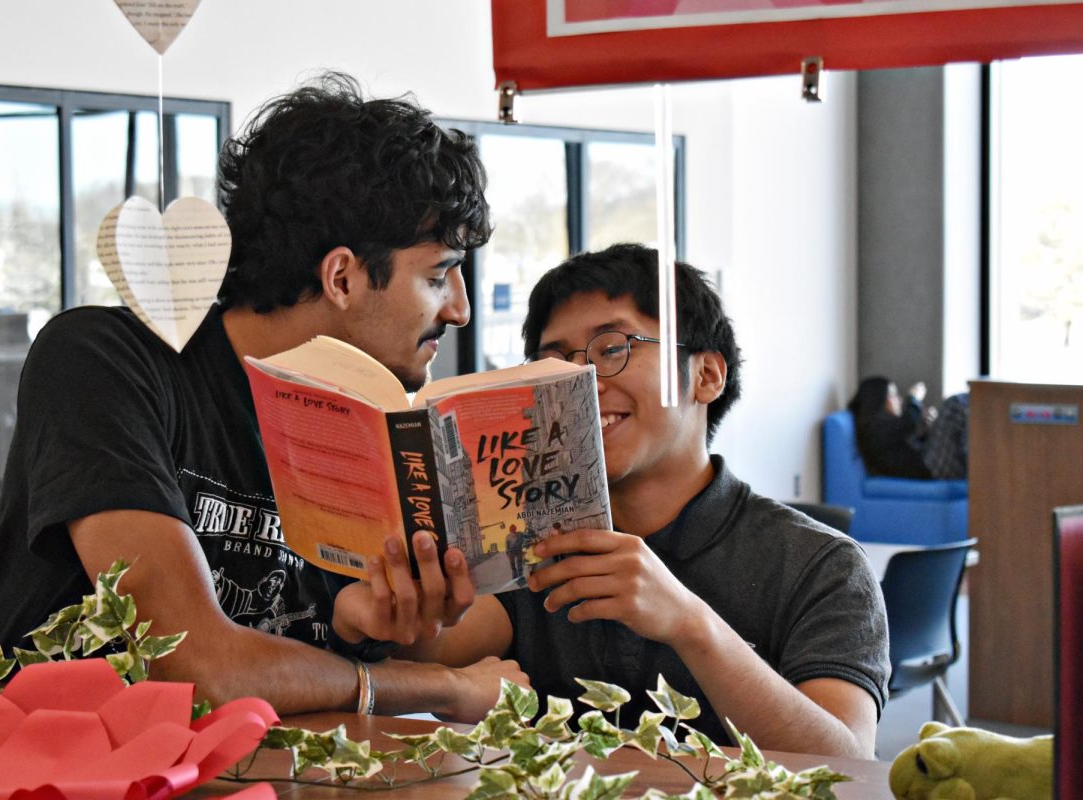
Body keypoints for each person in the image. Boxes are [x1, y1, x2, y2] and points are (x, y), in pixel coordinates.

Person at [0, 73, 525, 721]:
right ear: (342, 277)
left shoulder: (372, 423)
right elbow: (197, 665)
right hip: (35, 773)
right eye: (439, 275)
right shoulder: (107, 360)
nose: (462, 310)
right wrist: (439, 687)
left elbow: (454, 634)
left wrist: (369, 630)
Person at [334, 243, 890, 758]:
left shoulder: (822, 566)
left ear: (707, 375)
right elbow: (439, 647)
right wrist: (380, 621)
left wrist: (691, 624)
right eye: (558, 362)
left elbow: (844, 764)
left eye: (613, 348)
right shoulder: (528, 541)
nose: (582, 380)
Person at [848, 376, 969, 480]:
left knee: (956, 408)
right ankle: (977, 467)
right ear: (878, 400)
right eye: (893, 395)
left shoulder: (882, 428)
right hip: (927, 468)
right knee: (955, 404)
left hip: (926, 463)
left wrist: (929, 429)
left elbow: (904, 443)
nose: (899, 400)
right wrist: (913, 399)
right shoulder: (872, 429)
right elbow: (908, 423)